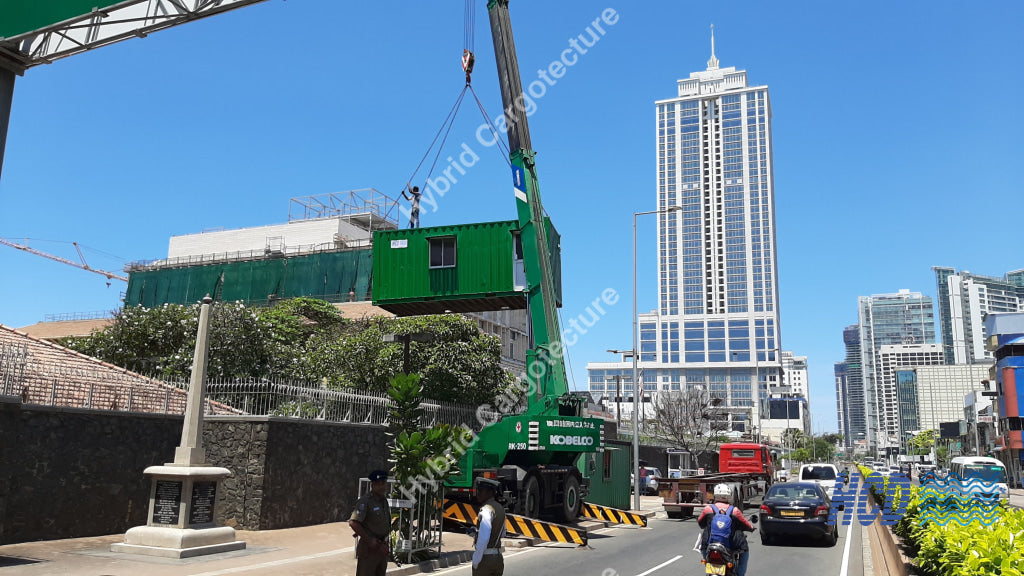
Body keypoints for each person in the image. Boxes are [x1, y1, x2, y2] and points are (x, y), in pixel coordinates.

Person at [698, 483, 755, 576]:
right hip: (731, 545)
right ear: (729, 495)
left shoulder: (708, 509)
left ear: (715, 494)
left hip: (709, 544)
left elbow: (700, 523)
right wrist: (752, 528)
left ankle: (709, 566)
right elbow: (747, 525)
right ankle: (740, 574)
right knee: (745, 551)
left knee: (704, 547)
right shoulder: (734, 510)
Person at [349, 470, 392, 576]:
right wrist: (369, 540)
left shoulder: (384, 500)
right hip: (369, 550)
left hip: (382, 548)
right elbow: (353, 522)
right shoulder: (365, 501)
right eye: (378, 484)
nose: (381, 487)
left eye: (383, 483)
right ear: (372, 485)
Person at [472, 477, 506, 576]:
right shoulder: (500, 508)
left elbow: (484, 538)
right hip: (498, 558)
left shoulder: (486, 510)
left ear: (490, 492)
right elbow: (503, 533)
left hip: (485, 558)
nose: (478, 493)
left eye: (481, 490)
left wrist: (476, 561)